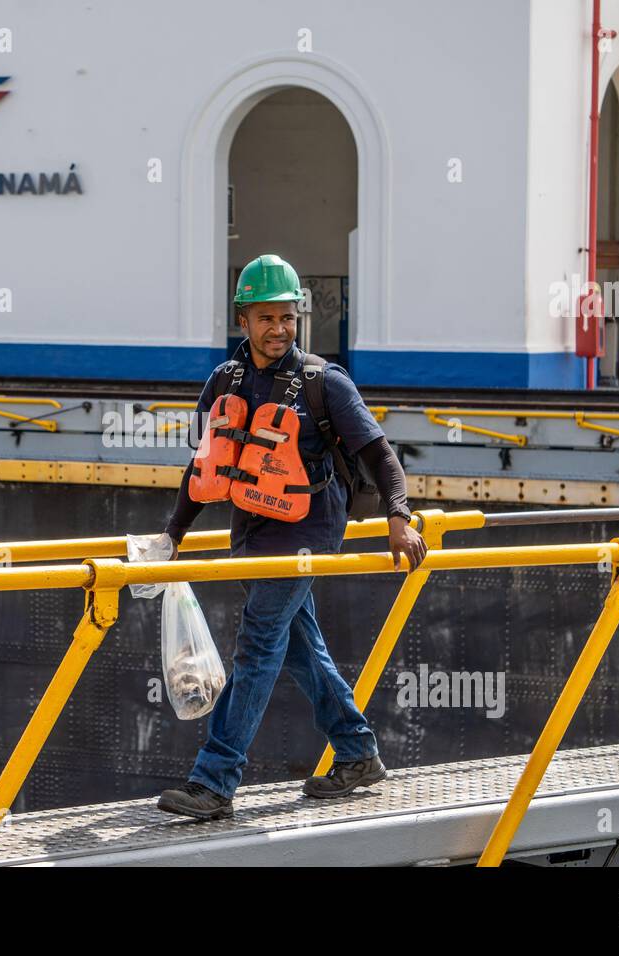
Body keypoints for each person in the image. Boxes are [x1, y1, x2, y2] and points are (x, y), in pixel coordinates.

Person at [155, 253, 427, 821]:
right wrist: (173, 533)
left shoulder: (324, 384)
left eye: (288, 317)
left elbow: (379, 454)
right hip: (251, 533)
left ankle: (215, 779)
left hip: (309, 533)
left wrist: (398, 514)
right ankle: (357, 752)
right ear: (243, 321)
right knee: (299, 648)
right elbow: (205, 464)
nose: (279, 329)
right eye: (266, 318)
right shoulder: (225, 381)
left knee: (257, 646)